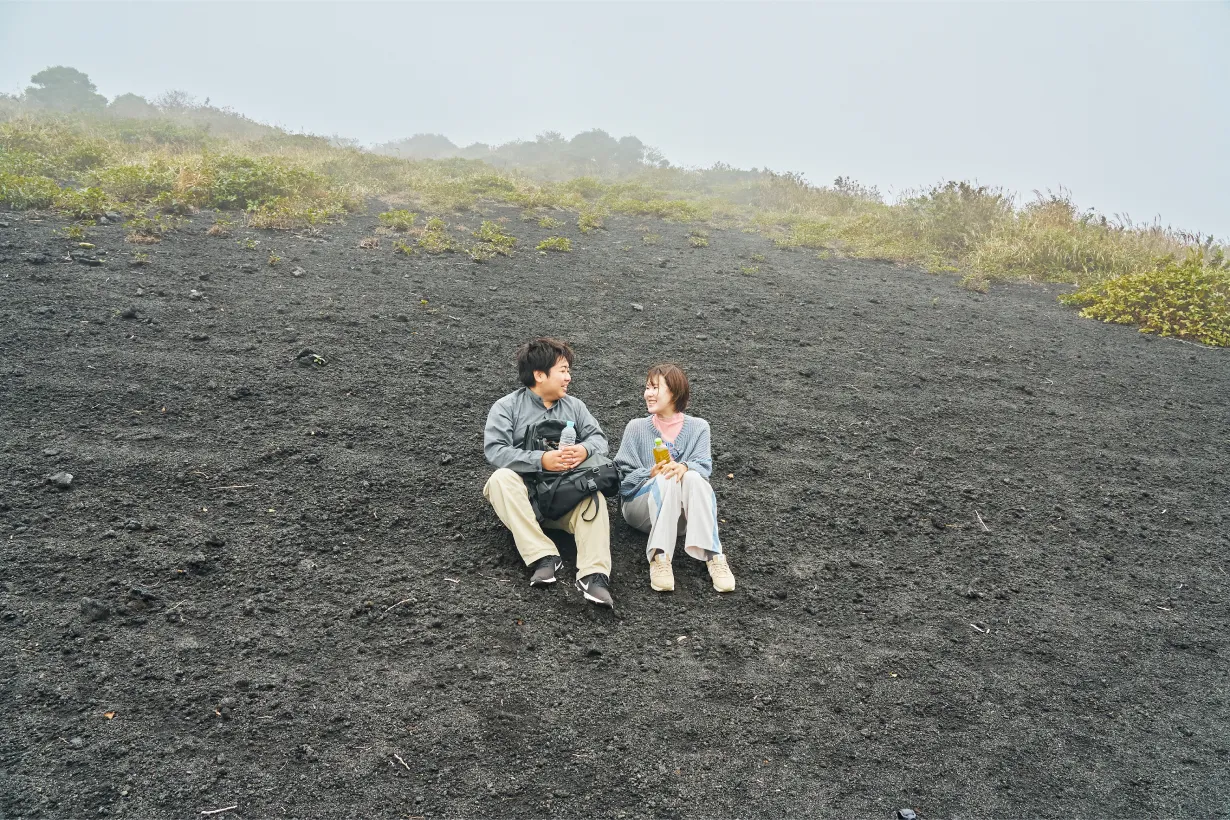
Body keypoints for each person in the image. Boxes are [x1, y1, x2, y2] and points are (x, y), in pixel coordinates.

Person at [482, 338, 615, 607]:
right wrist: (541, 460)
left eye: (568, 370)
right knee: (500, 479)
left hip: (566, 497)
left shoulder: (575, 407)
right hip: (525, 502)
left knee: (595, 496)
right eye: (563, 370)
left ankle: (594, 576)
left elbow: (599, 440)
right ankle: (543, 557)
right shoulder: (507, 407)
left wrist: (585, 450)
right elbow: (495, 450)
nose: (569, 377)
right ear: (539, 375)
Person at [614, 363, 736, 593]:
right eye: (647, 388)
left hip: (680, 518)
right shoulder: (636, 427)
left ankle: (714, 556)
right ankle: (660, 556)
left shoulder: (699, 428)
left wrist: (685, 467)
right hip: (640, 509)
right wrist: (649, 473)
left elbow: (703, 467)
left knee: (693, 477)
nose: (647, 393)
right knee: (666, 477)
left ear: (674, 391)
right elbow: (622, 478)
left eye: (654, 388)